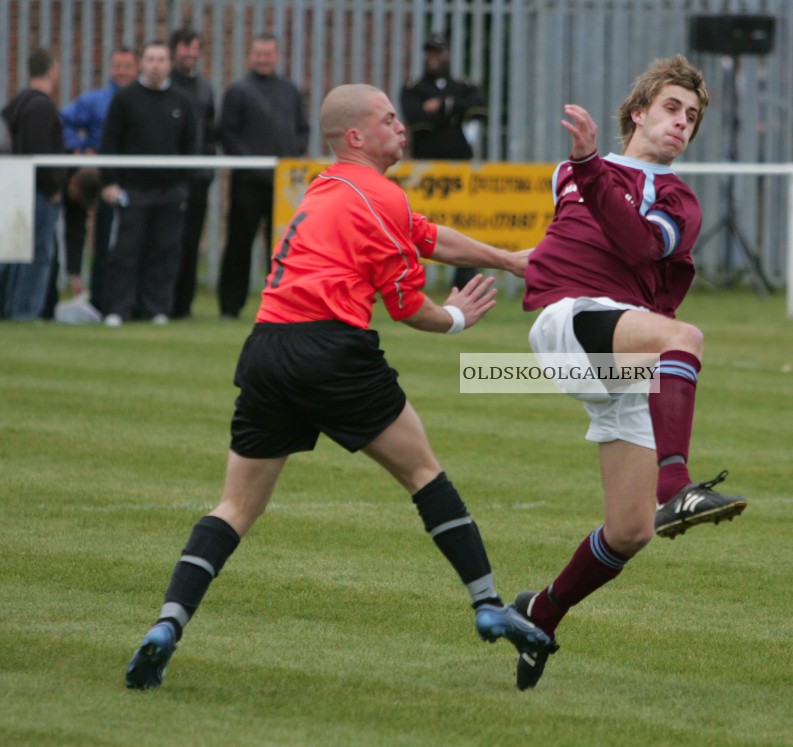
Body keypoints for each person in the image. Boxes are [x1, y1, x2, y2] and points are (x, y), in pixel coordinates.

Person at [125, 83, 549, 691]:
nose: (401, 127)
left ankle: (168, 623)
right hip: (331, 351)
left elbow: (424, 235)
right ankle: (488, 603)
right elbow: (408, 309)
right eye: (389, 119)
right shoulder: (383, 197)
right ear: (356, 136)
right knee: (424, 473)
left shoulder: (327, 188)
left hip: (268, 348)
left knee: (236, 506)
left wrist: (507, 260)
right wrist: (456, 317)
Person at [514, 55, 748, 689]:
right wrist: (446, 250)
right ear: (638, 111)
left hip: (624, 351)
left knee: (629, 531)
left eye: (692, 117)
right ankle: (679, 484)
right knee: (685, 337)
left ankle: (541, 611)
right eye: (672, 108)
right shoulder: (575, 171)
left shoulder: (677, 199)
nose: (681, 124)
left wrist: (591, 169)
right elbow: (557, 254)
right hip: (573, 320)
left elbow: (641, 245)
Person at [99, 40, 198, 326]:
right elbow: (109, 142)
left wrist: (183, 186)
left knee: (164, 252)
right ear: (143, 63)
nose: (156, 65)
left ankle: (157, 309)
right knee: (125, 253)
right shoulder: (125, 99)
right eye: (151, 59)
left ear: (169, 64)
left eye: (162, 59)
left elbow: (191, 146)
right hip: (132, 191)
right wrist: (109, 183)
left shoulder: (182, 102)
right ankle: (118, 309)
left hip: (169, 192)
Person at [217, 32, 309, 320]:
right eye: (258, 53)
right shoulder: (238, 90)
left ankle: (281, 304)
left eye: (268, 53)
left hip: (282, 184)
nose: (263, 58)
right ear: (251, 55)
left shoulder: (289, 90)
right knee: (239, 244)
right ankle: (230, 307)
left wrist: (293, 157)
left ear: (277, 56)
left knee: (282, 247)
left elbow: (302, 130)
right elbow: (226, 133)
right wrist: (251, 164)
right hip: (247, 183)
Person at [399, 33, 487, 290]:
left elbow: (479, 111)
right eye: (429, 53)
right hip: (425, 166)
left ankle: (464, 277)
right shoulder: (414, 87)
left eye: (438, 53)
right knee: (422, 222)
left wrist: (442, 106)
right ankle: (414, 276)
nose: (433, 58)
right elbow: (417, 120)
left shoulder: (463, 86)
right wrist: (453, 114)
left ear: (447, 55)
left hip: (459, 166)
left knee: (460, 221)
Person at [58, 46, 138, 313]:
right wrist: (79, 148)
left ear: (135, 68)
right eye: (117, 66)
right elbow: (64, 121)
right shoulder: (95, 100)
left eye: (127, 66)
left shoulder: (143, 100)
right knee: (104, 242)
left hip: (137, 180)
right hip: (106, 180)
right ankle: (100, 300)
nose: (122, 72)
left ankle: (133, 301)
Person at [0, 48, 66, 322]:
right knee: (37, 255)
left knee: (16, 253)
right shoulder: (41, 105)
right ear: (52, 70)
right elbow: (39, 153)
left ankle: (12, 308)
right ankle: (25, 311)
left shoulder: (19, 103)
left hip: (18, 189)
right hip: (37, 192)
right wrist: (53, 188)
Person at [169, 27, 218, 320]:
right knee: (166, 243)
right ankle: (162, 302)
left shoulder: (205, 89)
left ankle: (183, 306)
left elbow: (212, 132)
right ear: (175, 49)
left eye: (195, 47)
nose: (191, 53)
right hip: (170, 177)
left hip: (197, 180)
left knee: (190, 243)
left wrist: (207, 169)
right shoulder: (167, 87)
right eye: (186, 47)